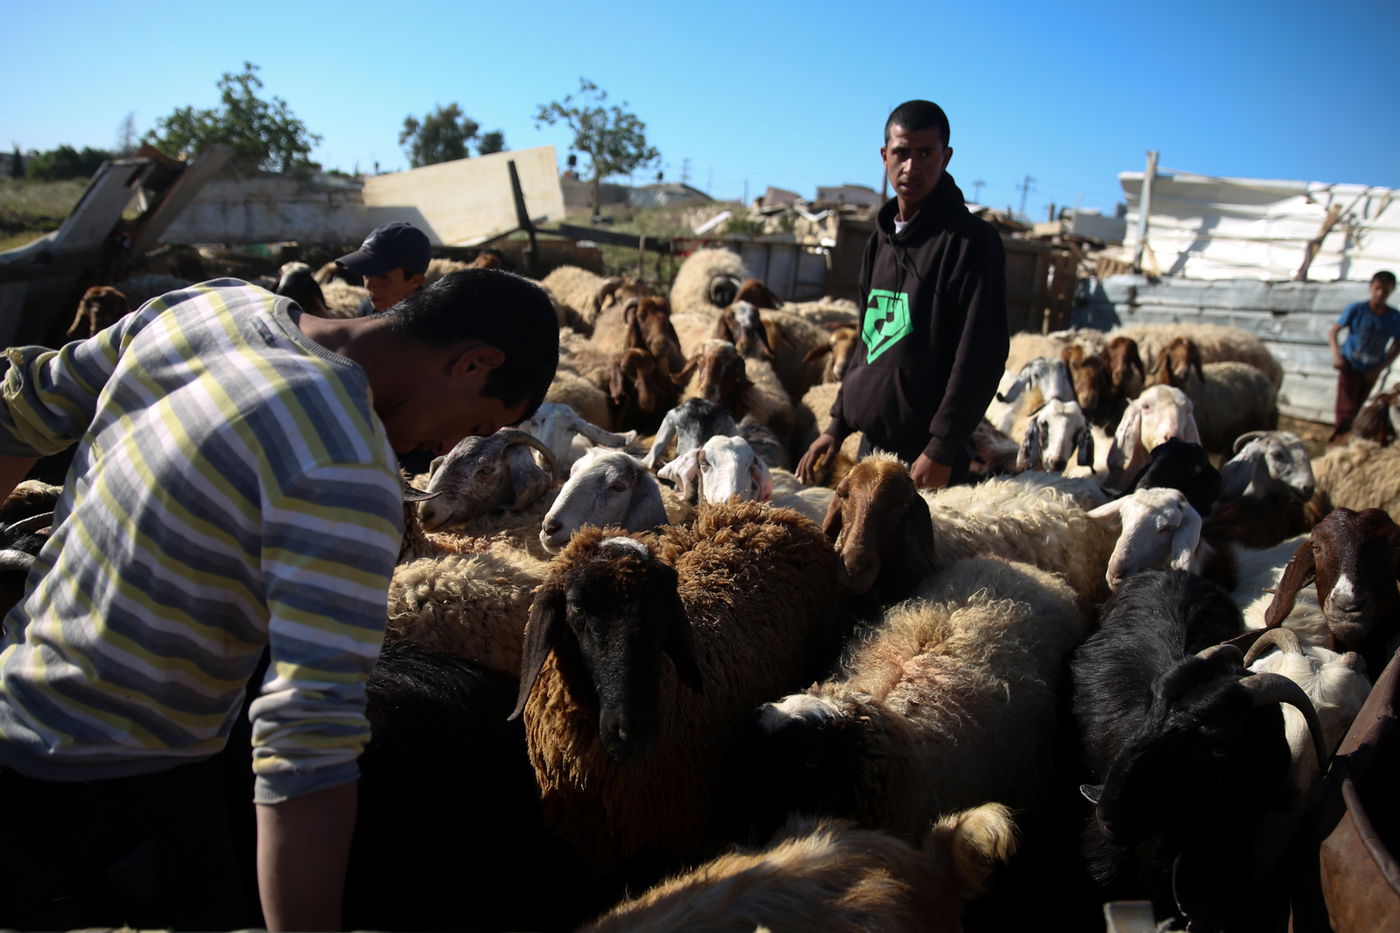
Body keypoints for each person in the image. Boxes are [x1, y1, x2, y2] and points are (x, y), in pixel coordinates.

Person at [0, 269, 559, 932]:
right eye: (477, 422)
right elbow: (307, 740)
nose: (449, 449)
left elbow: (20, 409)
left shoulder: (208, 306)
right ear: (473, 362)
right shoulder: (343, 464)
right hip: (125, 790)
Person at [797, 99, 1008, 490]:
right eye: (902, 153)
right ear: (884, 156)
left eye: (926, 153)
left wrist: (942, 449)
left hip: (928, 459)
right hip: (871, 451)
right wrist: (837, 426)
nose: (911, 166)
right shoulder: (879, 243)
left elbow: (981, 355)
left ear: (946, 157)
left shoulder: (970, 243)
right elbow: (869, 340)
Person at [1327, 269, 1400, 443]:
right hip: (1350, 366)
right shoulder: (1357, 310)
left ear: (1392, 291)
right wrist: (1337, 356)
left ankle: (1350, 441)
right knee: (1346, 409)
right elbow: (1334, 331)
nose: (1380, 293)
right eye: (1378, 288)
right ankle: (1337, 441)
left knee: (1360, 406)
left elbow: (1397, 344)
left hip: (1371, 370)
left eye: (1386, 290)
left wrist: (1380, 368)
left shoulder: (1394, 317)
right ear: (1370, 288)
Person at [336, 220, 433, 316]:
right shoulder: (367, 310)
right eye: (366, 273)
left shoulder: (436, 323)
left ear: (415, 281)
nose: (369, 286)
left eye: (383, 277)